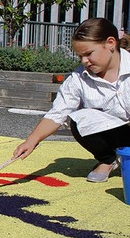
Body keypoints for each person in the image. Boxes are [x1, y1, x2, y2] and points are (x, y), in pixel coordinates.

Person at [13, 18, 130, 183]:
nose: (84, 61)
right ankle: (108, 159)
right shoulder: (78, 78)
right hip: (116, 132)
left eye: (89, 54)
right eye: (80, 56)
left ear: (111, 43)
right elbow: (57, 114)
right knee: (79, 118)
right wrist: (31, 141)